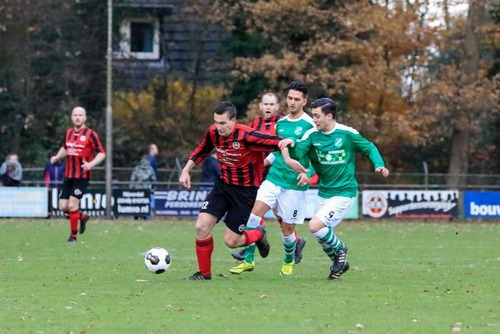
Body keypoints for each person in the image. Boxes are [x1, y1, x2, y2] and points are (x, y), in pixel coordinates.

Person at [178, 101, 303, 280]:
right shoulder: (213, 132)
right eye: (216, 122)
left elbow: (278, 143)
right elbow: (202, 149)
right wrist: (186, 170)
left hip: (245, 193)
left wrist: (288, 159)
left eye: (223, 123)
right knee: (201, 225)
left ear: (234, 120)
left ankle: (258, 234)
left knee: (231, 241)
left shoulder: (248, 136)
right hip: (223, 185)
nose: (218, 127)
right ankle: (204, 274)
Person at [281, 97, 389, 280]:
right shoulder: (312, 135)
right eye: (312, 115)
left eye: (316, 116)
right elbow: (299, 153)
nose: (313, 120)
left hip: (344, 191)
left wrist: (379, 164)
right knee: (319, 233)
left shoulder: (346, 133)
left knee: (314, 225)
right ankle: (340, 262)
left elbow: (369, 147)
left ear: (329, 116)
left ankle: (341, 249)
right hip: (324, 192)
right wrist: (290, 146)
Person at [230, 81, 316, 276]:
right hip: (274, 179)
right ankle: (249, 261)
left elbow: (314, 158)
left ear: (304, 101)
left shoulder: (311, 125)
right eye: (290, 98)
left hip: (293, 184)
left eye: (296, 99)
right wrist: (261, 164)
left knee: (287, 229)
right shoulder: (281, 123)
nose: (292, 102)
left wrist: (306, 173)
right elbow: (277, 152)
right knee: (253, 215)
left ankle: (288, 260)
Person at [50, 106, 106, 242]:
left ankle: (73, 236)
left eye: (80, 115)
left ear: (85, 118)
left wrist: (91, 164)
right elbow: (65, 147)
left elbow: (102, 153)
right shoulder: (68, 132)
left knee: (72, 205)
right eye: (75, 115)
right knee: (63, 207)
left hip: (82, 175)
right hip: (68, 174)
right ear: (71, 117)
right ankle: (82, 217)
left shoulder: (91, 134)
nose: (77, 117)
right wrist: (57, 157)